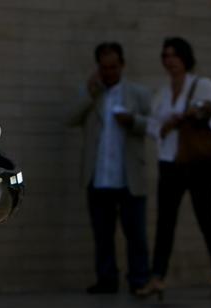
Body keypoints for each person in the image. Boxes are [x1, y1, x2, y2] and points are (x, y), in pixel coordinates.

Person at [136, 37, 211, 300]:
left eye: (173, 55)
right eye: (165, 55)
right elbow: (154, 125)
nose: (169, 60)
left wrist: (200, 112)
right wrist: (163, 125)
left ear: (185, 57)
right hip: (170, 161)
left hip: (197, 164)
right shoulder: (162, 92)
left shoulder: (201, 85)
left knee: (206, 217)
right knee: (165, 221)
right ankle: (158, 277)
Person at [68, 42, 152, 294]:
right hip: (99, 176)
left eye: (114, 67)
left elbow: (153, 125)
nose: (109, 72)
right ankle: (107, 279)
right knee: (102, 234)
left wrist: (133, 121)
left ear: (122, 65)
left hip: (129, 177)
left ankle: (139, 279)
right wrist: (91, 94)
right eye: (104, 68)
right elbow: (69, 118)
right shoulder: (93, 93)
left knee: (135, 233)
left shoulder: (138, 93)